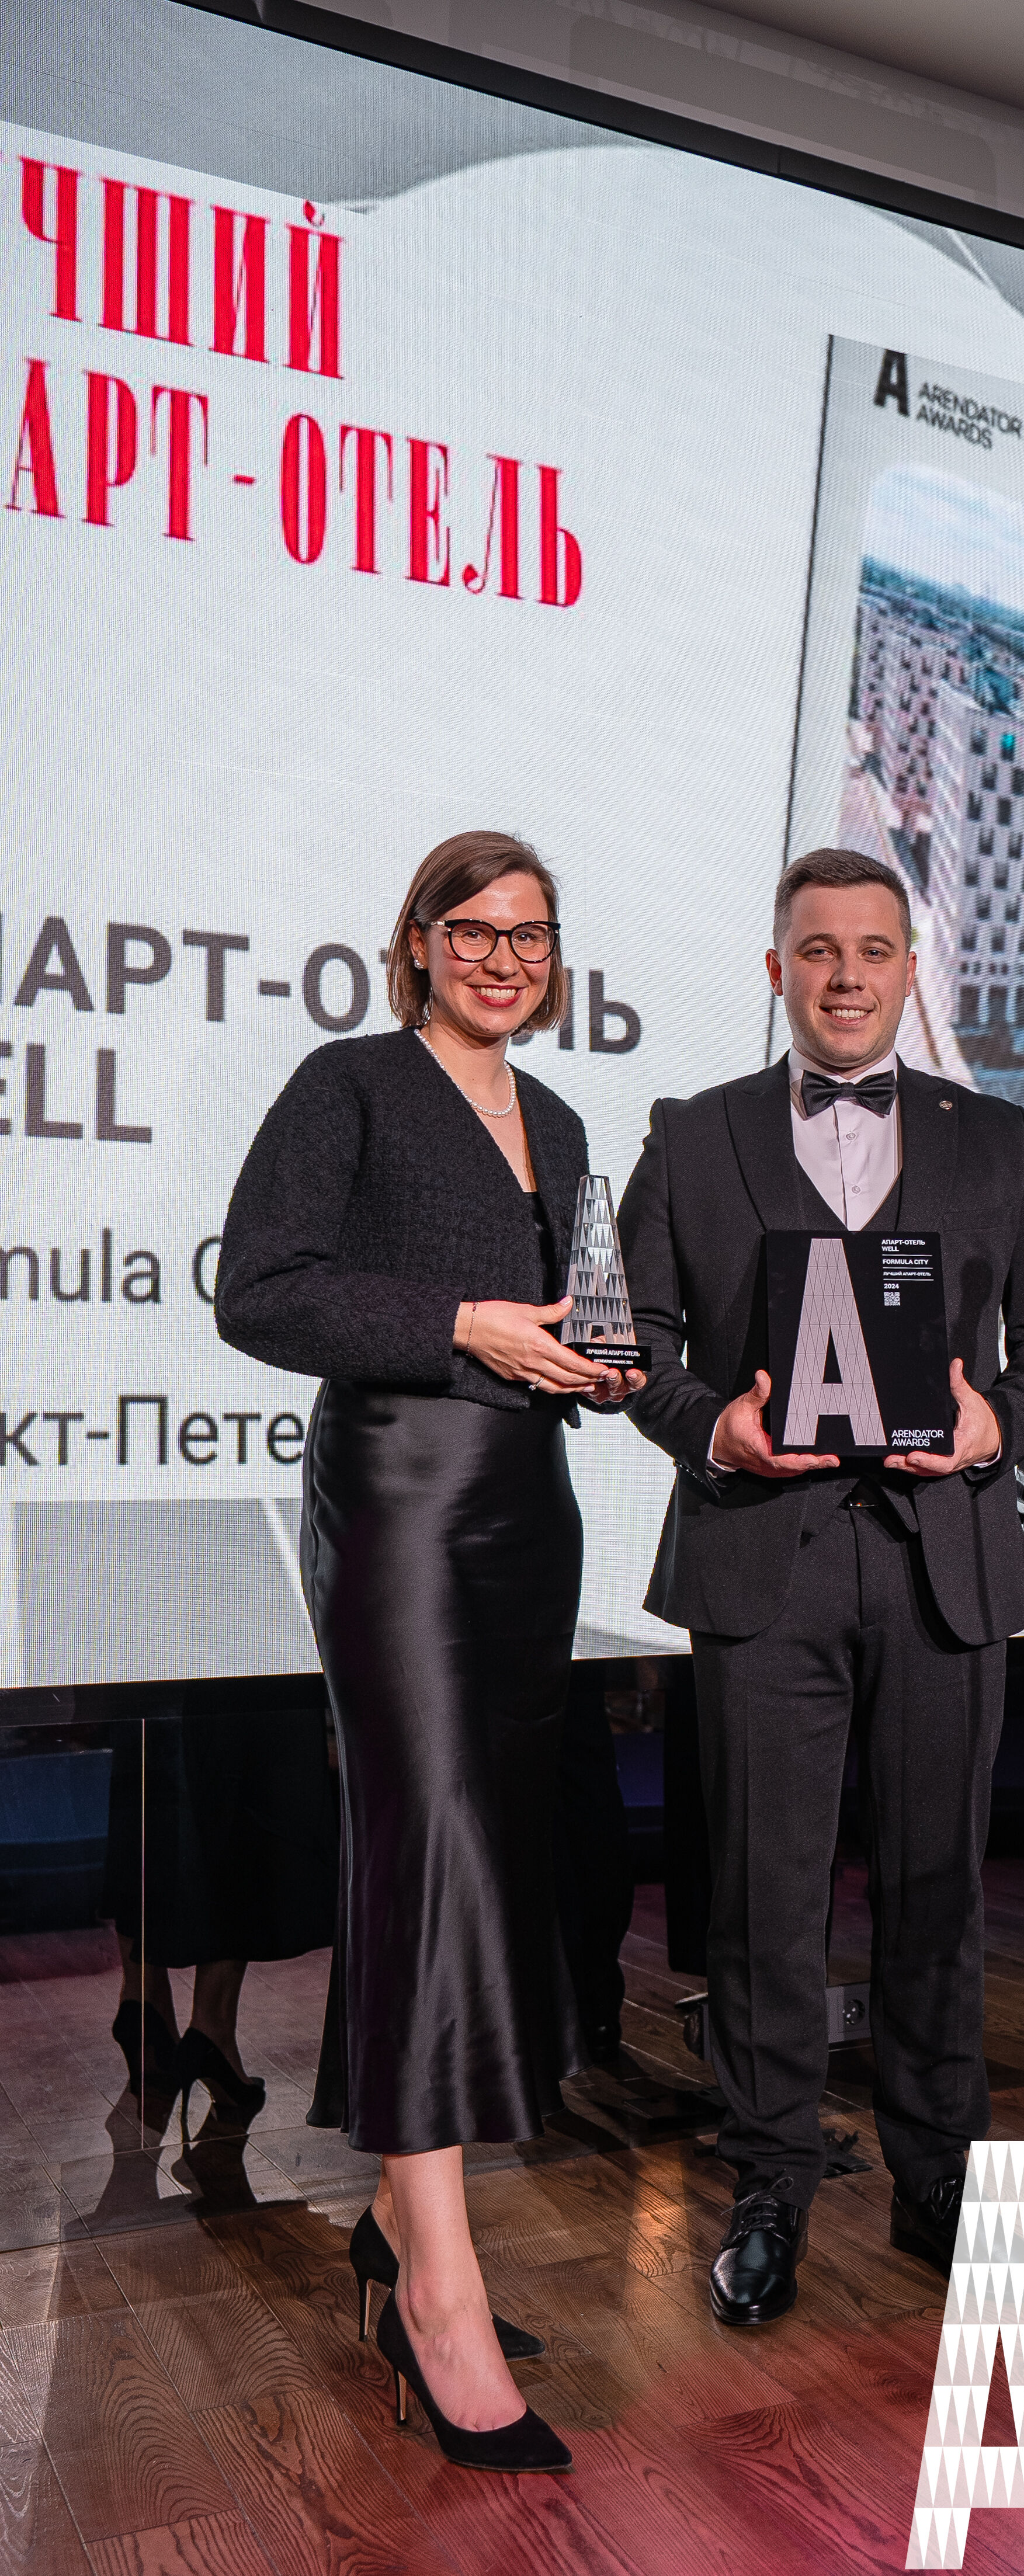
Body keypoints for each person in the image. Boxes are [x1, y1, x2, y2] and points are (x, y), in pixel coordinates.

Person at [616, 847, 1024, 2327]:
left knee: (939, 1889)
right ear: (778, 970)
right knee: (766, 1900)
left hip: (944, 1557)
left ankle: (936, 2176)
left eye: (872, 950)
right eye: (816, 950)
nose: (844, 975)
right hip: (763, 1559)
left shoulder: (991, 1134)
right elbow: (635, 1342)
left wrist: (997, 1421)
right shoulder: (692, 1132)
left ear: (906, 968)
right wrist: (716, 1427)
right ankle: (769, 2182)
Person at [216, 829, 643, 2471]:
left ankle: (401, 2230)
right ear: (415, 941)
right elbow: (261, 1293)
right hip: (396, 1501)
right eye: (472, 930)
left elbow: (571, 1315)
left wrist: (600, 1362)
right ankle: (442, 2297)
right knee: (432, 1850)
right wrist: (465, 1324)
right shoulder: (349, 1084)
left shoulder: (565, 1119)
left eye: (528, 934)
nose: (501, 958)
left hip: (528, 1506)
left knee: (471, 1861)